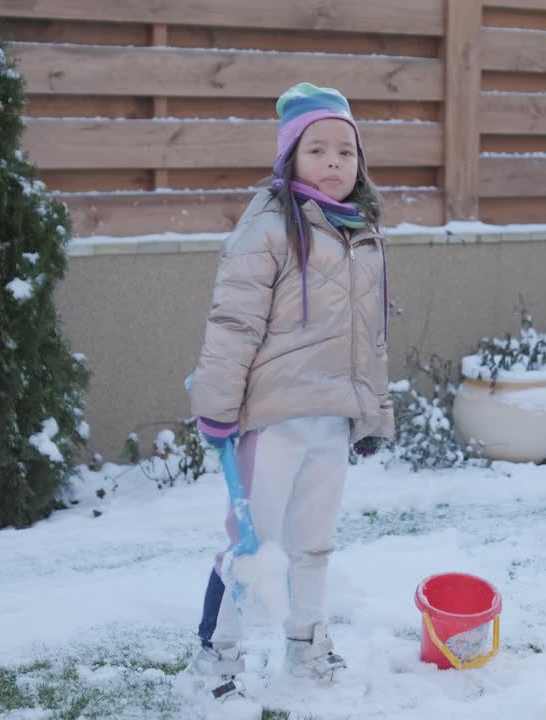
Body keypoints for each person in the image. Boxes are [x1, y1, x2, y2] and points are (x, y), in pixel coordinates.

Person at [187, 82, 394, 701]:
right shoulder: (270, 226)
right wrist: (217, 410)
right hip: (273, 420)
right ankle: (215, 663)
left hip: (333, 420)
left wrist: (375, 415)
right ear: (289, 158)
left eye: (346, 152)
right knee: (253, 545)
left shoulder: (362, 235)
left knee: (314, 543)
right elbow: (233, 323)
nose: (334, 163)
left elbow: (372, 340)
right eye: (318, 150)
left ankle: (307, 650)